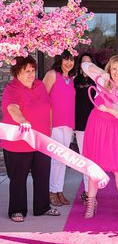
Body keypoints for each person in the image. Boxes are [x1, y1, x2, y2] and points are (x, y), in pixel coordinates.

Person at [1, 56, 60, 222]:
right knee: (18, 179)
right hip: (18, 143)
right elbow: (12, 108)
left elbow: (48, 107)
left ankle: (43, 207)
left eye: (32, 70)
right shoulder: (12, 88)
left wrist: (49, 130)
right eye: (26, 71)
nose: (31, 74)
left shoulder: (40, 85)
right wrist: (22, 120)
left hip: (40, 141)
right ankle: (17, 210)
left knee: (42, 176)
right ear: (17, 72)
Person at [82, 55, 118, 222]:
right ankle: (91, 203)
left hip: (117, 132)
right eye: (114, 69)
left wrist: (107, 110)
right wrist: (100, 73)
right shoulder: (101, 81)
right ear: (109, 69)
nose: (117, 72)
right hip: (97, 129)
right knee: (94, 169)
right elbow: (85, 65)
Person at [43, 50, 76, 206]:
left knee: (64, 159)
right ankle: (51, 191)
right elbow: (41, 98)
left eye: (71, 60)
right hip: (54, 123)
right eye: (66, 59)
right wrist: (46, 123)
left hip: (68, 124)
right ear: (60, 59)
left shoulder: (70, 79)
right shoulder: (52, 74)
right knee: (56, 159)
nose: (69, 63)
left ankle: (59, 190)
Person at [74, 52, 96, 203]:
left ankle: (93, 191)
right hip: (80, 126)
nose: (86, 65)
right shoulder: (75, 81)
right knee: (85, 159)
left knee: (94, 160)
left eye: (89, 62)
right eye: (84, 62)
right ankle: (88, 193)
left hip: (96, 126)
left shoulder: (98, 81)